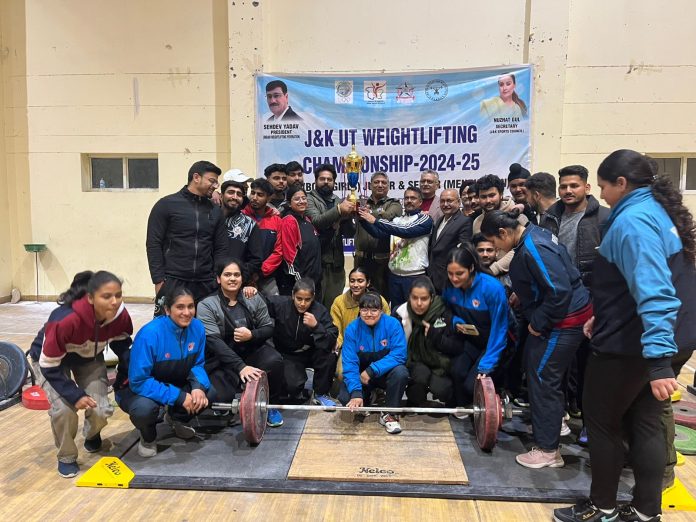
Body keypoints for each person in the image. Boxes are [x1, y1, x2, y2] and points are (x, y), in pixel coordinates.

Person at [553, 150, 696, 522]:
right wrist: (603, 313)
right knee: (646, 421)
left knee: (602, 424)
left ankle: (601, 506)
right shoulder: (656, 211)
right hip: (664, 336)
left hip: (635, 346)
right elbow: (632, 281)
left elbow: (655, 292)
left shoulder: (632, 220)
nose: (602, 195)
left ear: (621, 183)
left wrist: (659, 362)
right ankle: (647, 512)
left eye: (602, 187)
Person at [481, 210, 591, 470]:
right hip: (566, 316)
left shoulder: (533, 247)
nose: (494, 250)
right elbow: (551, 278)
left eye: (494, 244)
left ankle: (548, 450)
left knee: (543, 378)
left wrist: (538, 323)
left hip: (562, 322)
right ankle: (551, 425)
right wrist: (524, 293)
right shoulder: (534, 234)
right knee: (540, 373)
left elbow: (558, 290)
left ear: (504, 233)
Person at [39, 271, 133, 477]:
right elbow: (48, 365)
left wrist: (127, 373)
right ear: (90, 298)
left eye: (118, 295)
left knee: (101, 410)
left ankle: (92, 434)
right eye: (107, 296)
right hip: (52, 363)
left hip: (88, 358)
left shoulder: (120, 315)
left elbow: (122, 343)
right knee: (64, 410)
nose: (114, 301)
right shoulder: (64, 320)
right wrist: (75, 395)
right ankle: (66, 456)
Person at [538, 165, 610, 432]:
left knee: (589, 364)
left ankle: (589, 424)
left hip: (591, 300)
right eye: (564, 186)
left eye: (574, 186)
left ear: (587, 188)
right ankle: (562, 415)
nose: (568, 191)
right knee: (560, 363)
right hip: (558, 300)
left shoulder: (603, 218)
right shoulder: (550, 217)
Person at [117, 286, 211, 458]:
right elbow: (139, 381)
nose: (187, 312)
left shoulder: (197, 328)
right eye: (180, 307)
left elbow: (198, 363)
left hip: (171, 380)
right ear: (168, 309)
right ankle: (148, 437)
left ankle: (176, 419)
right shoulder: (150, 334)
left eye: (191, 306)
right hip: (135, 388)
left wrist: (198, 387)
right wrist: (178, 396)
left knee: (206, 394)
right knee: (144, 410)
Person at [196, 259, 284, 427]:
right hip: (223, 358)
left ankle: (270, 405)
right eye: (227, 274)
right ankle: (234, 396)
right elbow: (214, 342)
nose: (232, 278)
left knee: (275, 361)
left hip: (251, 350)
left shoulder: (253, 296)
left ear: (242, 278)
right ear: (218, 279)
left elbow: (268, 328)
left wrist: (252, 334)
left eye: (236, 275)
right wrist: (240, 366)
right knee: (219, 397)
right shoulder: (206, 305)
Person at [146, 160, 228, 316]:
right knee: (167, 331)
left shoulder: (215, 211)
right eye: (212, 181)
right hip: (173, 281)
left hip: (206, 284)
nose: (216, 185)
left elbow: (221, 248)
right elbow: (153, 243)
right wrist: (159, 280)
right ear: (196, 177)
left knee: (203, 332)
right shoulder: (166, 205)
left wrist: (217, 277)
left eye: (217, 182)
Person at [440, 246, 510, 407]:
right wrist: (455, 321)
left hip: (493, 343)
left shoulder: (492, 288)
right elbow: (446, 312)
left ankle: (499, 396)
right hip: (470, 340)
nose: (454, 279)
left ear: (471, 268)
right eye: (450, 274)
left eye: (459, 274)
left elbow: (500, 330)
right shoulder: (449, 287)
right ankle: (465, 408)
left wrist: (487, 364)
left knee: (472, 386)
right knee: (456, 372)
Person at [339, 292, 409, 434]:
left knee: (401, 372)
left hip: (382, 374)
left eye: (374, 310)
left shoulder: (393, 324)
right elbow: (350, 363)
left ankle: (390, 413)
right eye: (364, 309)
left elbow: (399, 355)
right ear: (359, 310)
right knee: (345, 397)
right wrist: (356, 392)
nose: (369, 314)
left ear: (381, 310)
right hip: (362, 378)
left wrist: (372, 370)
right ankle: (368, 397)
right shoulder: (352, 329)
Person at [395, 277, 468, 408]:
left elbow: (458, 347)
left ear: (432, 298)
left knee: (442, 389)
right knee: (420, 374)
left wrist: (437, 337)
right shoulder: (400, 314)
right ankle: (416, 398)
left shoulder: (445, 312)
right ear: (409, 297)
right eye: (414, 298)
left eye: (424, 299)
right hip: (412, 361)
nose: (418, 303)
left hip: (440, 363)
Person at [358, 187, 433, 309]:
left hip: (414, 276)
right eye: (406, 198)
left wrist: (375, 220)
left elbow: (406, 231)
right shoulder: (397, 220)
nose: (409, 201)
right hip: (394, 275)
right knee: (396, 312)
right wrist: (363, 220)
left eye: (413, 198)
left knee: (414, 312)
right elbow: (379, 234)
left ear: (420, 202)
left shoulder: (425, 219)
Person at [268, 278, 339, 407]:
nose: (302, 303)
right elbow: (260, 302)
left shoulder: (320, 311)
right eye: (299, 299)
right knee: (293, 387)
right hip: (288, 354)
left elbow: (332, 337)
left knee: (330, 354)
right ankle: (296, 385)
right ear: (292, 295)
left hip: (311, 351)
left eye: (307, 300)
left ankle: (320, 394)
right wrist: (250, 291)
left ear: (313, 298)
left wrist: (316, 326)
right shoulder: (280, 304)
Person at [306, 163, 357, 308]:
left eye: (329, 179)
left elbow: (349, 233)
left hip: (336, 265)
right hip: (317, 264)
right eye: (322, 179)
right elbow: (317, 222)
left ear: (334, 182)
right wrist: (339, 211)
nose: (326, 182)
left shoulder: (338, 200)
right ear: (315, 181)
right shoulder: (309, 199)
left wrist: (348, 217)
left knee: (334, 307)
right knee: (315, 307)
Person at [330, 267, 390, 378]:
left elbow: (387, 327)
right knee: (341, 373)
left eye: (360, 281)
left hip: (375, 346)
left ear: (368, 283)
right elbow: (336, 328)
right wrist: (337, 343)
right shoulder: (339, 302)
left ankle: (377, 391)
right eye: (352, 281)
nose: (356, 285)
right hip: (350, 346)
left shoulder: (380, 300)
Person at [354, 171, 403, 296]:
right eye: (376, 182)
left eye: (383, 183)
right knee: (360, 298)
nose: (380, 185)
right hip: (361, 260)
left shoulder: (394, 204)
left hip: (383, 262)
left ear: (388, 186)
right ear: (370, 186)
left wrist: (368, 212)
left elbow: (388, 217)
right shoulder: (360, 202)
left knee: (382, 299)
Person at [472, 174, 528, 276]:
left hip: (514, 276)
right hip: (485, 277)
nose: (488, 200)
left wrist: (494, 269)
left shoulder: (517, 216)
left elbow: (521, 249)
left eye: (492, 195)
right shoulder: (477, 222)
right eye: (483, 197)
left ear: (501, 194)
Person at [277, 185, 322, 296]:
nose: (301, 201)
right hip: (300, 285)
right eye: (297, 199)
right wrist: (300, 283)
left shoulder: (307, 220)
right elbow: (289, 257)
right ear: (289, 203)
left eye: (304, 198)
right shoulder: (289, 221)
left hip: (314, 282)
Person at [242, 178, 284, 295]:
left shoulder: (276, 220)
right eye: (253, 193)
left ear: (269, 198)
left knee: (273, 309)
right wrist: (247, 273)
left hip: (267, 278)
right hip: (242, 276)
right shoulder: (241, 217)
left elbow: (279, 251)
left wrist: (260, 272)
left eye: (260, 195)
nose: (254, 197)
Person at [427, 189, 473, 293]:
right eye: (442, 201)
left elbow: (463, 251)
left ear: (459, 202)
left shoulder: (465, 221)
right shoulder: (440, 220)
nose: (445, 204)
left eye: (449, 201)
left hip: (449, 278)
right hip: (433, 276)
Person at [220, 179, 264, 278]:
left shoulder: (250, 225)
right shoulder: (209, 218)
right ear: (221, 195)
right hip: (206, 281)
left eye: (239, 194)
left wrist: (237, 275)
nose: (235, 197)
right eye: (231, 192)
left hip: (235, 283)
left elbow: (256, 260)